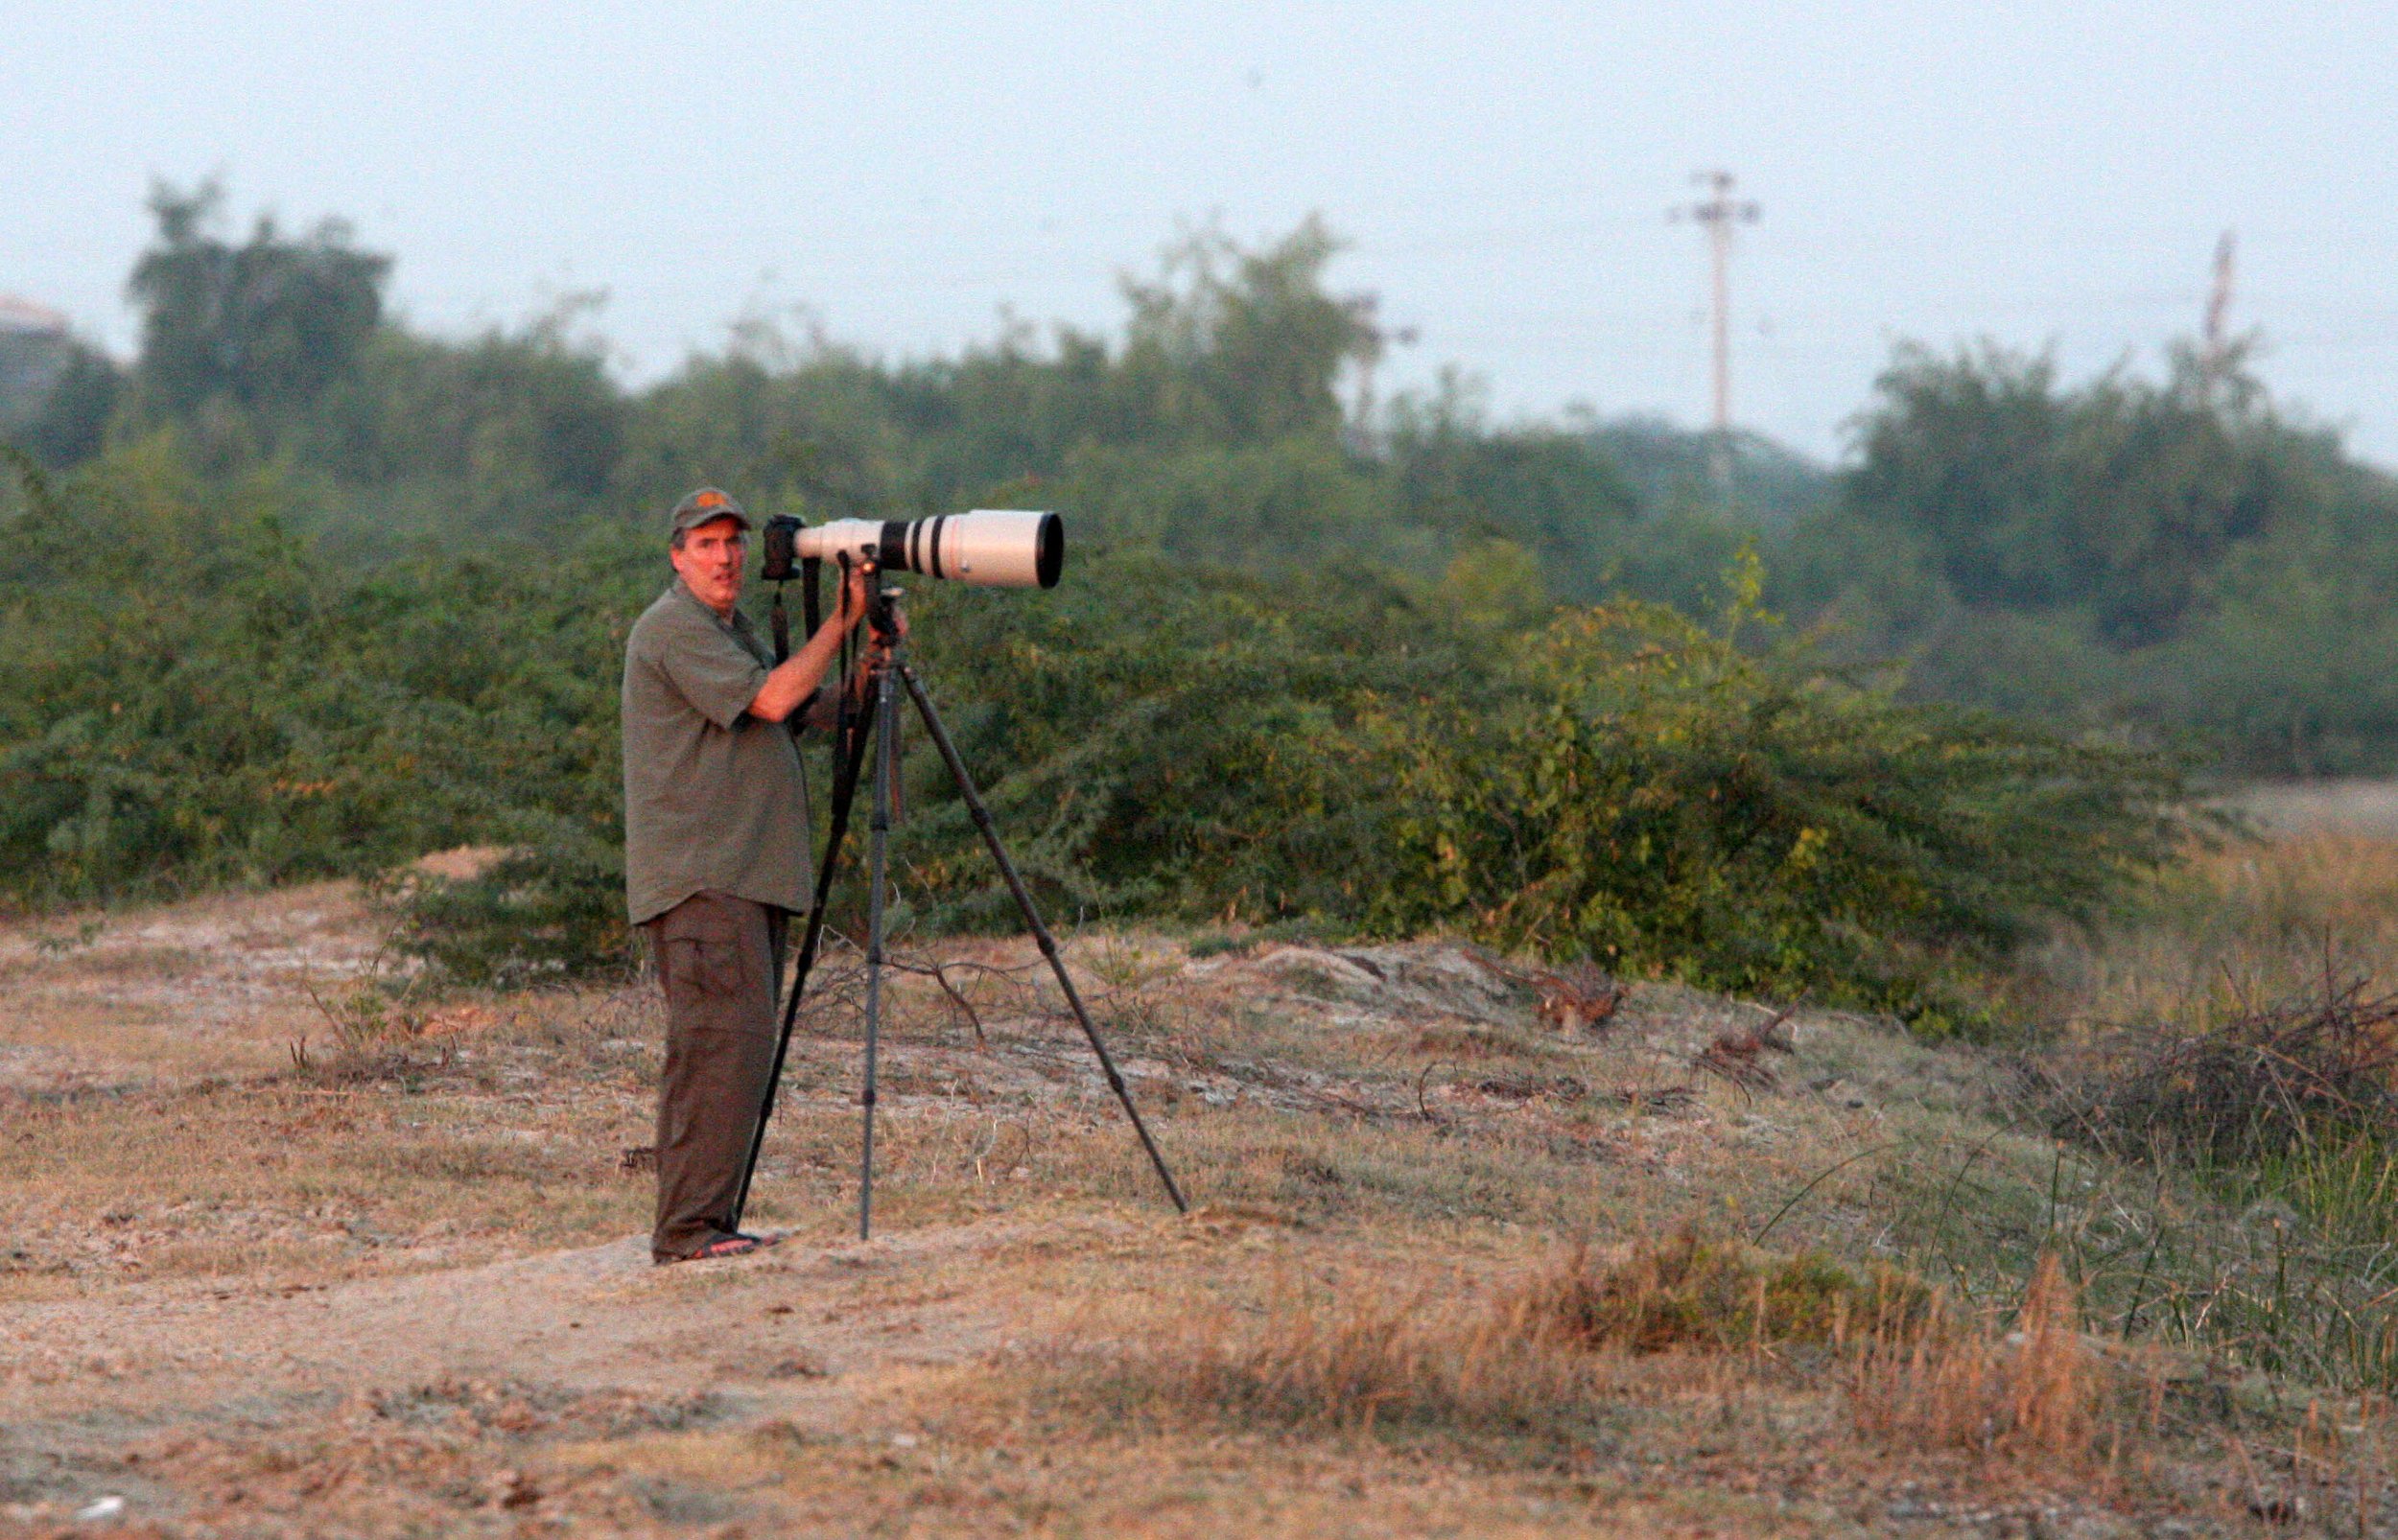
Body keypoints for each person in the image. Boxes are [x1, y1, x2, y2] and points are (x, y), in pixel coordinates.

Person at [621, 487, 870, 1263]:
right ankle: (688, 1231)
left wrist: (873, 667)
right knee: (717, 1052)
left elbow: (804, 707)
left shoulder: (726, 629)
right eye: (707, 544)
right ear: (676, 555)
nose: (726, 557)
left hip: (742, 878)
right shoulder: (671, 630)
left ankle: (706, 1223)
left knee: (736, 1052)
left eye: (733, 542)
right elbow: (772, 699)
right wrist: (841, 623)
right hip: (707, 882)